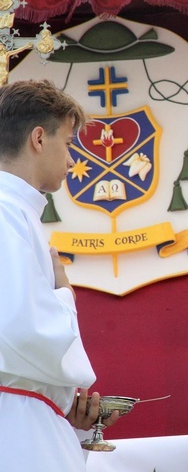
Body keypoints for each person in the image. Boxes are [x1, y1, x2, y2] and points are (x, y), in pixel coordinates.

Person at [0, 80, 118, 471]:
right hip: (15, 429)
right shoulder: (6, 212)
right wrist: (65, 298)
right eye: (68, 142)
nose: (71, 160)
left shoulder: (16, 212)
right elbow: (20, 329)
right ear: (38, 138)